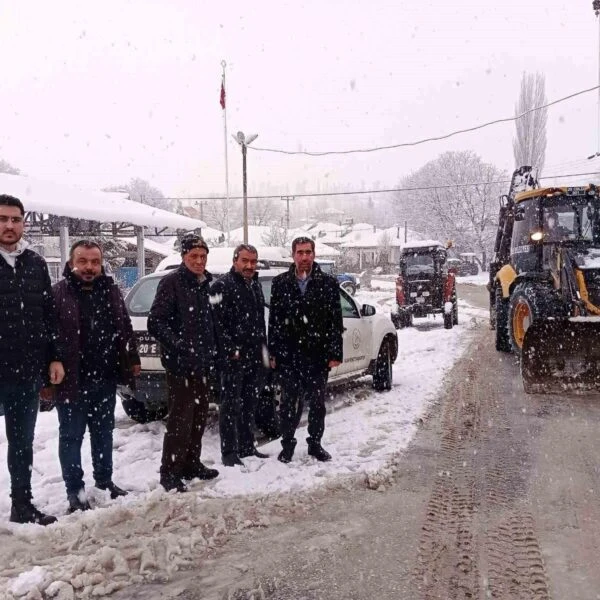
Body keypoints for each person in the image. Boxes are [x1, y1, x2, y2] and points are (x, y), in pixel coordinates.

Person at [44, 240, 140, 513]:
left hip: (105, 378)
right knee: (71, 437)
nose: (89, 267)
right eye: (83, 261)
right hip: (72, 381)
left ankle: (105, 481)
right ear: (71, 262)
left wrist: (131, 358)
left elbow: (124, 324)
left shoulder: (110, 290)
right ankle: (75, 492)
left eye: (94, 262)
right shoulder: (57, 294)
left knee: (103, 433)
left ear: (101, 264)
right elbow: (47, 337)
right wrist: (50, 367)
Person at [0, 194, 64, 525]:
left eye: (15, 219)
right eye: (2, 219)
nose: (9, 225)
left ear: (23, 222)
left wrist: (53, 357)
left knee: (22, 444)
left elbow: (48, 316)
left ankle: (21, 504)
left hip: (25, 373)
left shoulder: (36, 264)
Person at [147, 233, 219, 492]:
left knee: (200, 416)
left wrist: (213, 350)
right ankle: (170, 471)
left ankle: (192, 463)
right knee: (181, 419)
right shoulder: (172, 283)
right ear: (184, 257)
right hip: (180, 366)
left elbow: (212, 321)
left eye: (203, 256)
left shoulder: (206, 283)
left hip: (202, 364)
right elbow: (155, 321)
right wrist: (178, 345)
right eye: (194, 256)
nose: (199, 261)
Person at [268, 237, 344, 463]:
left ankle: (315, 444)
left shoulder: (328, 283)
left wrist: (334, 353)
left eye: (308, 252)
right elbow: (275, 321)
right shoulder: (280, 283)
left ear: (314, 254)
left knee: (318, 404)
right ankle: (287, 445)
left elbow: (335, 320)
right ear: (293, 255)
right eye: (300, 252)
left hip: (317, 355)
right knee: (288, 405)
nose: (304, 257)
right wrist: (273, 352)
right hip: (289, 356)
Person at [211, 244, 269, 467]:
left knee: (249, 404)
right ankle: (229, 453)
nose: (249, 266)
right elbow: (217, 324)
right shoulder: (220, 286)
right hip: (233, 359)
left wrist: (264, 352)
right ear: (235, 260)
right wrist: (229, 351)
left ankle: (247, 446)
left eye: (253, 262)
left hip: (254, 356)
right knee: (230, 407)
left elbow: (258, 321)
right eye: (245, 261)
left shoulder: (254, 285)